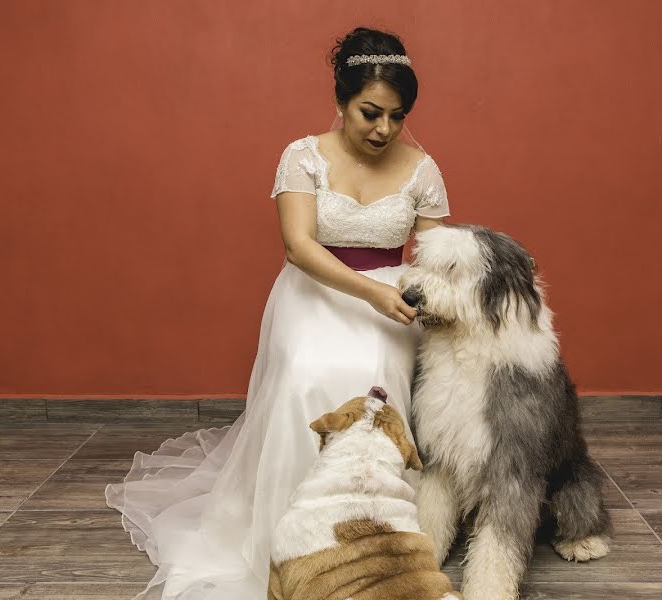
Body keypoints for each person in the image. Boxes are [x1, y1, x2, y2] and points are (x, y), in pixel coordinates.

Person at [105, 26, 450, 600]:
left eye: (396, 115)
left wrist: (418, 295)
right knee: (306, 374)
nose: (383, 129)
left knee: (380, 383)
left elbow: (437, 255)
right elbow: (298, 245)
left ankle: (379, 539)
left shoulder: (423, 168)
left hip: (394, 299)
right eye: (370, 113)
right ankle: (293, 535)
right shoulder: (303, 156)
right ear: (341, 101)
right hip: (316, 289)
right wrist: (370, 293)